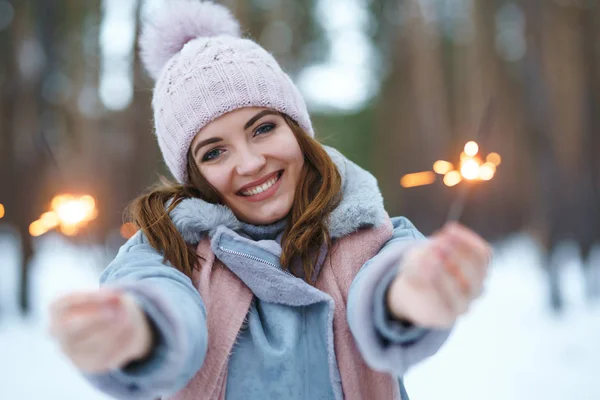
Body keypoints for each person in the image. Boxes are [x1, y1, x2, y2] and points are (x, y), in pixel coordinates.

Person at [48, 1, 491, 399]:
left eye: (263, 128)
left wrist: (412, 294)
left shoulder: (368, 234)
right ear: (194, 174)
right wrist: (136, 330)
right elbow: (163, 304)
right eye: (215, 151)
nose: (250, 163)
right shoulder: (168, 252)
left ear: (296, 129)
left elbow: (382, 286)